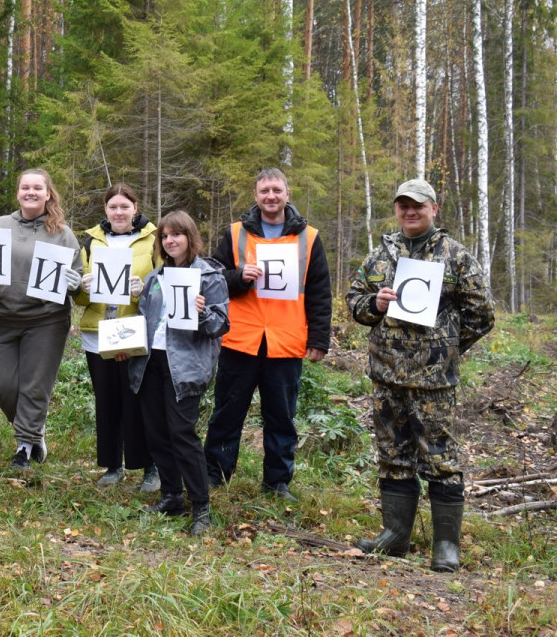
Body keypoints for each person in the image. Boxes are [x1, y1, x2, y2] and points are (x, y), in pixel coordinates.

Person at [347, 179, 494, 572]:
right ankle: (394, 536)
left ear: (434, 207)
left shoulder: (455, 256)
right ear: (396, 209)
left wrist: (445, 347)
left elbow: (483, 314)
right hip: (387, 377)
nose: (410, 212)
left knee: (442, 460)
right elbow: (354, 302)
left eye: (418, 206)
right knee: (392, 457)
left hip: (434, 382)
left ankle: (446, 547)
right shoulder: (381, 255)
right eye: (403, 206)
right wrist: (373, 304)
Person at [203, 168, 331, 500]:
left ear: (287, 194)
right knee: (227, 412)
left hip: (286, 341)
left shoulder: (310, 238)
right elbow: (212, 279)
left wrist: (318, 339)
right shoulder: (234, 234)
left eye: (276, 190)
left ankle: (277, 483)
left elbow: (319, 292)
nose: (270, 196)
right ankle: (215, 475)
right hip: (240, 339)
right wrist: (237, 276)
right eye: (264, 191)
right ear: (256, 195)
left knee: (281, 417)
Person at [131, 211, 229, 536]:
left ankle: (201, 506)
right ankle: (171, 496)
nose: (171, 240)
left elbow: (220, 325)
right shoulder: (155, 277)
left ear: (190, 237)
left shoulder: (209, 275)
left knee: (181, 434)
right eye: (165, 236)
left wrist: (202, 314)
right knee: (156, 433)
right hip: (150, 363)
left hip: (184, 367)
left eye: (177, 234)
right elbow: (146, 319)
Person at [0, 169, 83, 469]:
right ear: (17, 192)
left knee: (34, 386)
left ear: (48, 193)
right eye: (25, 187)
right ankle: (35, 431)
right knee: (2, 385)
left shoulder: (62, 233)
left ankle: (25, 447)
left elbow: (77, 280)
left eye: (37, 188)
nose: (31, 192)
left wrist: (75, 281)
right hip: (3, 318)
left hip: (46, 320)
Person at [73, 184, 158, 490]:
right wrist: (81, 289)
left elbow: (163, 287)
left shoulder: (153, 239)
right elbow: (80, 300)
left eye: (125, 206)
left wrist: (144, 291)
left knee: (139, 401)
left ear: (135, 208)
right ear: (105, 210)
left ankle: (150, 466)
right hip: (98, 333)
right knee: (106, 401)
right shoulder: (92, 240)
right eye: (113, 207)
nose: (119, 212)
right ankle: (113, 466)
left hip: (134, 332)